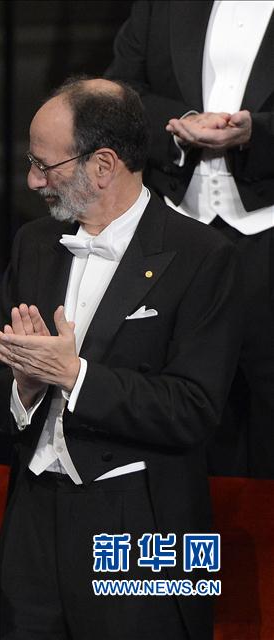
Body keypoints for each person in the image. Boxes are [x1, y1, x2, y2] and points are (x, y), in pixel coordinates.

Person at [0, 78, 243, 640]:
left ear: (103, 164)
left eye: (46, 165)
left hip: (148, 528)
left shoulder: (204, 257)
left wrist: (75, 376)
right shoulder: (34, 244)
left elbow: (193, 408)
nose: (31, 180)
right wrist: (23, 386)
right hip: (34, 521)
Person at [105, 0, 274, 478]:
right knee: (181, 405)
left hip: (267, 232)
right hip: (177, 235)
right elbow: (120, 90)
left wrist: (256, 133)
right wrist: (183, 123)